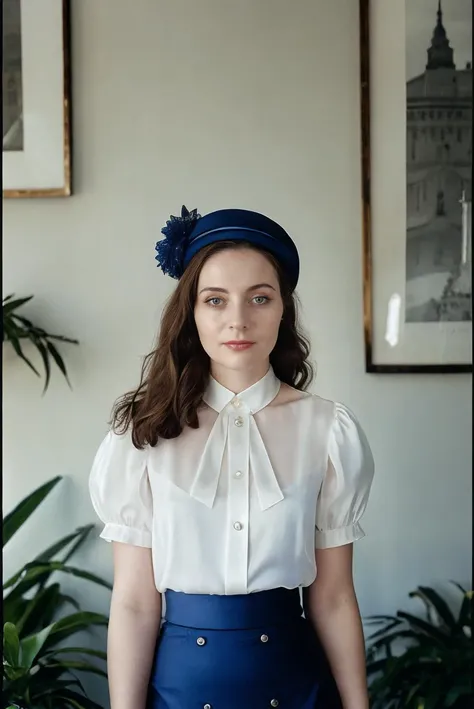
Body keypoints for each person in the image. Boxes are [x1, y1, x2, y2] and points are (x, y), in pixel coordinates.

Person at [89, 206, 375, 709]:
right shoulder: (141, 436)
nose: (238, 320)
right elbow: (134, 603)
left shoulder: (330, 430)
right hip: (177, 688)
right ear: (191, 313)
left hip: (298, 688)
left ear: (283, 307)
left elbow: (332, 598)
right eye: (215, 300)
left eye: (259, 298)